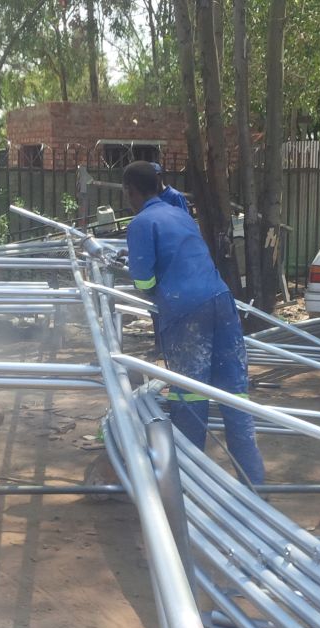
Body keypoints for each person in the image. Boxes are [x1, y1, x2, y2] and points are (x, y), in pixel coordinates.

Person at [122, 160, 266, 485]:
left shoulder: (142, 223)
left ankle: (189, 485)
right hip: (221, 301)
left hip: (186, 310)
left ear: (130, 191)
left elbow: (143, 281)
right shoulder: (180, 214)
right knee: (235, 395)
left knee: (189, 396)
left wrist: (153, 290)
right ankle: (254, 483)